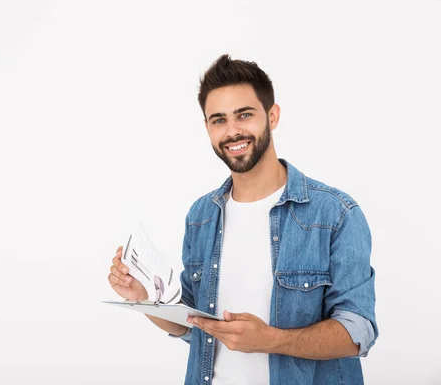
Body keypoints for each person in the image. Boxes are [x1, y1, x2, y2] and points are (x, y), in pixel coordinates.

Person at [107, 55, 378, 385]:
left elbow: (357, 331)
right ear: (207, 128)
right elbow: (191, 327)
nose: (232, 131)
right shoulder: (201, 216)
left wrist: (270, 340)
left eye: (244, 115)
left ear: (272, 115)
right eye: (218, 120)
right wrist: (144, 298)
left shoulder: (335, 214)